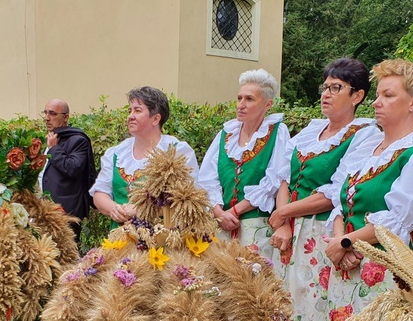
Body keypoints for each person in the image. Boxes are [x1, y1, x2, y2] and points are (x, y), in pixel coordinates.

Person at [267, 58, 379, 321]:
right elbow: (282, 178)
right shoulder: (309, 132)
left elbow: (336, 193)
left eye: (336, 88)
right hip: (288, 233)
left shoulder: (364, 134)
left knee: (311, 310)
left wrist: (283, 214)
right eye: (325, 87)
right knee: (280, 310)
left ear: (357, 96)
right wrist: (281, 223)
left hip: (318, 233)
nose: (326, 94)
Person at [323, 59, 413, 321]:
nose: (376, 102)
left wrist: (346, 243)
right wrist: (340, 241)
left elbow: (399, 218)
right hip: (347, 264)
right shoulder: (367, 147)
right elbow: (340, 204)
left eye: (388, 95)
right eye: (378, 95)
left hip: (388, 269)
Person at [197, 69, 290, 260]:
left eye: (249, 99)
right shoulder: (226, 134)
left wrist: (235, 211)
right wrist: (218, 211)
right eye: (239, 98)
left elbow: (275, 179)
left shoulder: (277, 132)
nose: (241, 105)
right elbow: (207, 178)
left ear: (267, 104)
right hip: (221, 225)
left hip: (257, 226)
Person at [90, 86, 198, 226]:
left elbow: (187, 199)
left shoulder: (177, 151)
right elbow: (100, 193)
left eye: (137, 110)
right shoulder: (116, 153)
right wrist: (114, 209)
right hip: (120, 242)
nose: (130, 116)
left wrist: (140, 210)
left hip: (161, 240)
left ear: (155, 119)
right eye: (130, 111)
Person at [40, 99, 95, 241]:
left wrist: (54, 149)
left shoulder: (78, 140)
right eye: (45, 113)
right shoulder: (50, 138)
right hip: (44, 210)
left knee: (66, 257)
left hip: (65, 212)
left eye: (52, 114)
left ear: (66, 117)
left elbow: (72, 168)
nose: (47, 118)